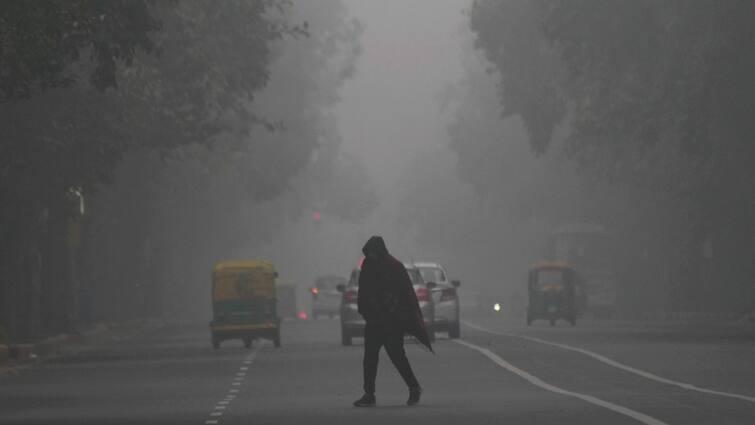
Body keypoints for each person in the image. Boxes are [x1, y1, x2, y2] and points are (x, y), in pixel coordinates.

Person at [353, 236, 432, 407]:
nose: (372, 256)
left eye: (374, 252)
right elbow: (363, 290)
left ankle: (414, 387)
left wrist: (401, 314)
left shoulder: (393, 266)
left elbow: (405, 294)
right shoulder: (367, 265)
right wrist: (364, 310)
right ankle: (369, 394)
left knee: (397, 356)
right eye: (370, 253)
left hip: (392, 321)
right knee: (370, 357)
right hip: (374, 320)